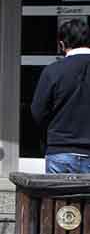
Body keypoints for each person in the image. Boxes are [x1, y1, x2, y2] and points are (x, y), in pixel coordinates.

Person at [32, 19, 90, 173]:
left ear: (62, 44)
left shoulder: (53, 71)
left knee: (58, 197)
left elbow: (38, 111)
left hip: (60, 150)